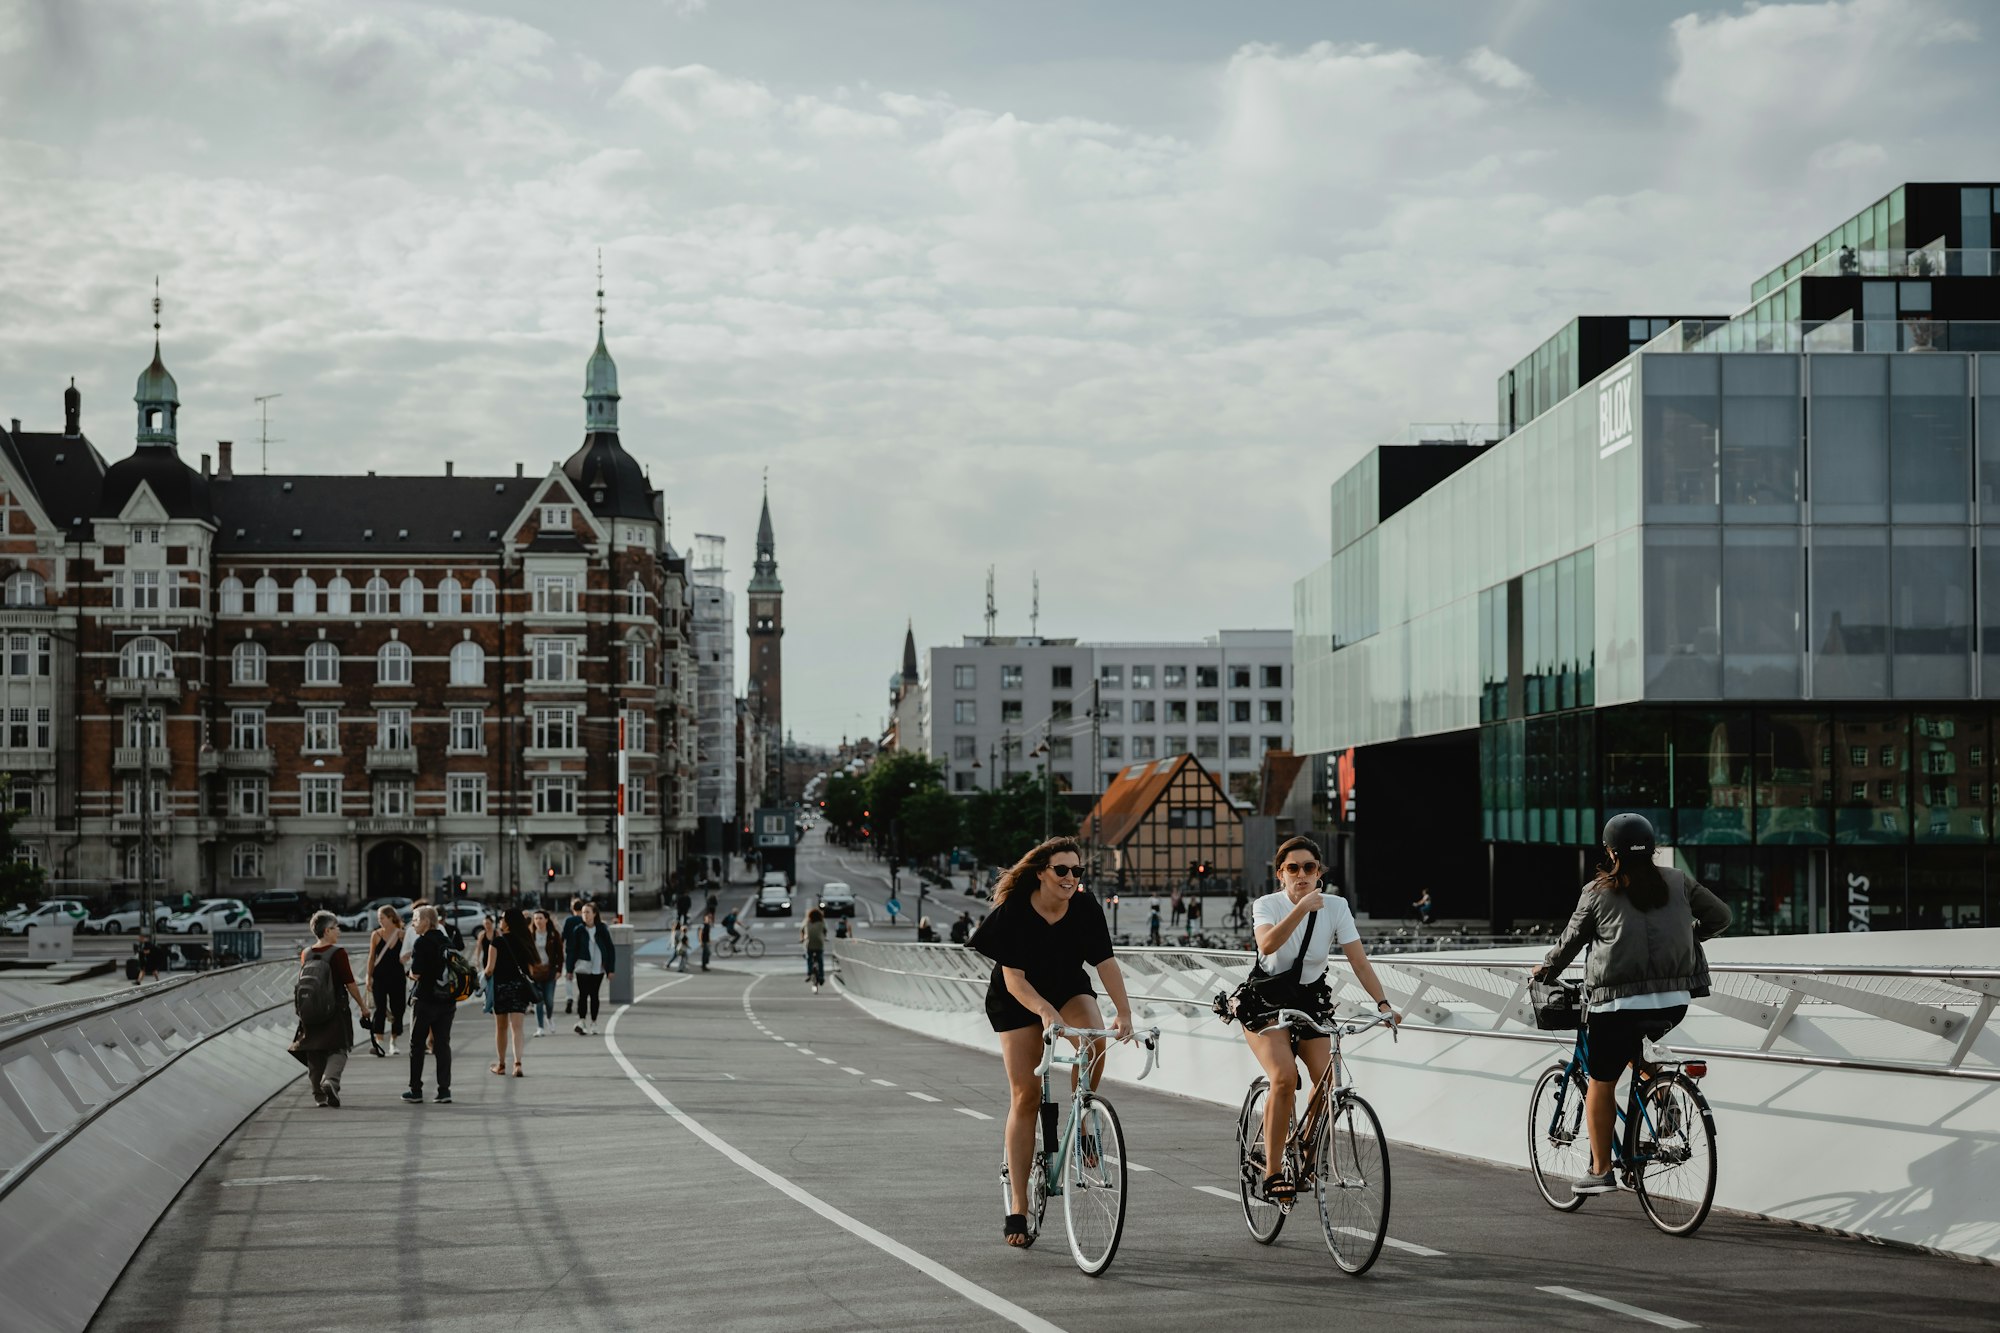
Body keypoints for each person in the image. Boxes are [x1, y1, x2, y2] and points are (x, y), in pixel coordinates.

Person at [1533, 814, 1731, 1196]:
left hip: (1617, 1005)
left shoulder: (1597, 891)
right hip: (1674, 1003)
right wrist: (1691, 938)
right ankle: (1660, 1091)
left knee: (1600, 1082)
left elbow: (1570, 942)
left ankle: (1601, 1169)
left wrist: (1547, 969)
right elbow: (1721, 917)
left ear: (1610, 851)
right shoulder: (1677, 880)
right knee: (1635, 1044)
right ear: (1652, 848)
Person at [970, 836, 1135, 1249]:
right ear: (1042, 871)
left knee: (1093, 1040)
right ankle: (1020, 1206)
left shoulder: (1084, 905)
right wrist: (1046, 1013)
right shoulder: (1014, 912)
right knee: (1025, 1096)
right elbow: (1014, 980)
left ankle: (1084, 1119)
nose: (1070, 878)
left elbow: (1105, 963)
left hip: (1067, 988)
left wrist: (1125, 1012)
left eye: (1077, 871)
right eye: (1062, 870)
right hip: (1018, 1001)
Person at [1238, 836, 1399, 1204]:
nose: (1301, 875)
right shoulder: (1267, 904)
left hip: (1310, 1001)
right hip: (1266, 1003)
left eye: (1309, 868)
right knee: (1283, 1078)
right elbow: (1267, 946)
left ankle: (1308, 1147)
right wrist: (1301, 908)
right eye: (1292, 869)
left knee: (1327, 1079)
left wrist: (1383, 1004)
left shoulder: (1337, 907)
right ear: (1281, 874)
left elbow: (1358, 961)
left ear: (1319, 872)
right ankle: (1273, 1171)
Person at [288, 910, 371, 1109]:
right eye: (336, 928)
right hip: (335, 1009)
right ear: (326, 931)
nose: (339, 932)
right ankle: (330, 1081)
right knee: (339, 1048)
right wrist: (363, 1006)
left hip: (309, 1010)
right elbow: (350, 983)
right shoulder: (338, 953)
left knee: (314, 1051)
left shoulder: (306, 953)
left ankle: (319, 1096)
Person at [402, 905, 455, 1104]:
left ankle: (415, 1090)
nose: (413, 923)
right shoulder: (446, 941)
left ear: (426, 921)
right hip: (447, 1001)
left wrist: (409, 973)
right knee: (442, 1045)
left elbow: (416, 973)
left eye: (415, 919)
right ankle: (444, 1090)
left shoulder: (421, 943)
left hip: (425, 1000)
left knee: (417, 1044)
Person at [485, 907, 534, 1076]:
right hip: (520, 988)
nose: (500, 921)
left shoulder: (497, 942)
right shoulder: (525, 940)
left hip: (501, 988)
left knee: (501, 1028)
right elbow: (531, 967)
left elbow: (489, 969)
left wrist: (483, 976)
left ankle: (501, 1065)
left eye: (502, 918)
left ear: (508, 922)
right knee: (518, 1028)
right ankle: (518, 1064)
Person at [564, 901, 616, 1034]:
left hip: (598, 966)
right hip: (582, 966)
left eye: (588, 912)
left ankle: (594, 1022)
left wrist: (610, 969)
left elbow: (610, 949)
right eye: (583, 912)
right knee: (583, 994)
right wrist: (569, 969)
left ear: (594, 914)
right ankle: (581, 1020)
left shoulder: (602, 929)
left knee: (594, 995)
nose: (585, 915)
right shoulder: (579, 930)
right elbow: (572, 950)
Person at [364, 905, 407, 1058]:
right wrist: (368, 977)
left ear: (390, 917)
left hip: (397, 977)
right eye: (378, 919)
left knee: (398, 1009)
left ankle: (393, 1042)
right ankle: (379, 1042)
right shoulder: (376, 935)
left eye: (382, 918)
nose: (379, 921)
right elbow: (371, 957)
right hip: (380, 977)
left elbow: (409, 952)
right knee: (380, 1008)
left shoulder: (402, 934)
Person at [526, 909, 563, 1038]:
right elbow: (526, 954)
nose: (538, 921)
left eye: (540, 918)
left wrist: (559, 970)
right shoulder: (530, 935)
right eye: (536, 919)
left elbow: (560, 954)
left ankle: (550, 1017)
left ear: (546, 920)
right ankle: (540, 1027)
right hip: (535, 972)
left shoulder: (553, 935)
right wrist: (528, 970)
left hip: (550, 971)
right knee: (538, 1000)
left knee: (549, 999)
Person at [560, 897, 584, 1014]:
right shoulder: (584, 920)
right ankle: (580, 996)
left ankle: (569, 998)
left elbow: (563, 936)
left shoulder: (568, 921)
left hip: (570, 951)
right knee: (581, 977)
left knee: (569, 976)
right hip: (582, 952)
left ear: (572, 908)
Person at [801, 906, 827, 993]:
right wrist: (824, 937)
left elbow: (802, 930)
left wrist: (802, 938)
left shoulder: (807, 921)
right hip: (819, 944)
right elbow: (825, 931)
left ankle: (809, 972)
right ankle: (822, 976)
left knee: (809, 958)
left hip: (810, 944)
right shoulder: (821, 922)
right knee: (820, 960)